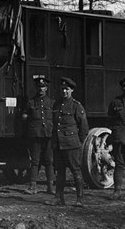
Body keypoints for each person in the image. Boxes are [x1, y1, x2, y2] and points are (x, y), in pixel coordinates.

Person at [47, 77, 89, 207]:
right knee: (60, 171)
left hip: (71, 144)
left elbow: (84, 128)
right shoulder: (57, 104)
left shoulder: (76, 106)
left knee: (75, 170)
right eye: (62, 89)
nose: (64, 91)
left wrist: (77, 142)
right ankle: (59, 198)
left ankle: (80, 199)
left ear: (71, 90)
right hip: (58, 144)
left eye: (67, 89)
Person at [22, 76, 55, 195]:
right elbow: (25, 116)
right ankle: (33, 186)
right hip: (35, 135)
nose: (41, 89)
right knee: (35, 161)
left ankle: (50, 186)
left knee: (49, 161)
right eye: (39, 87)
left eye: (43, 87)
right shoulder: (31, 102)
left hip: (48, 135)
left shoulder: (52, 102)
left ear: (46, 88)